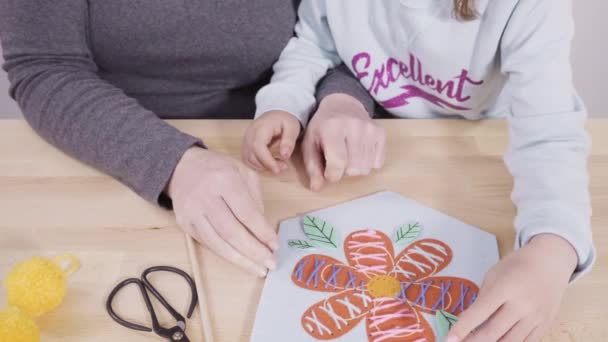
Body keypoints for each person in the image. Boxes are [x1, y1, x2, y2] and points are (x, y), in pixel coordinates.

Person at [243, 0, 595, 341]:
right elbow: (313, 43)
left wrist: (555, 246)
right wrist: (285, 102)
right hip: (373, 151)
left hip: (485, 155)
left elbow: (548, 135)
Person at [0, 0, 372, 278]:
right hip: (114, 157)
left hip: (291, 154)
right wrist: (171, 162)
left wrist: (342, 98)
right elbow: (44, 67)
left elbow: (351, 31)